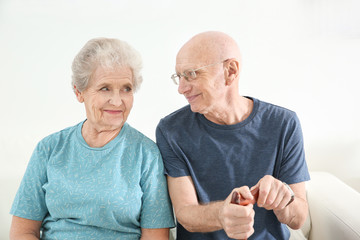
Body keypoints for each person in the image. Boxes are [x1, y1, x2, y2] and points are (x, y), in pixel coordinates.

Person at [10, 37, 175, 240]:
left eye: (126, 88)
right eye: (105, 88)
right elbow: (23, 232)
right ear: (79, 92)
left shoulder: (147, 154)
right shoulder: (49, 148)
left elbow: (155, 236)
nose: (117, 101)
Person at [156, 31, 310, 240]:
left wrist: (284, 200)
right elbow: (185, 213)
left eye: (192, 74)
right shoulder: (171, 130)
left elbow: (298, 219)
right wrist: (221, 214)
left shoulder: (284, 123)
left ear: (230, 70)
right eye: (179, 76)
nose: (182, 88)